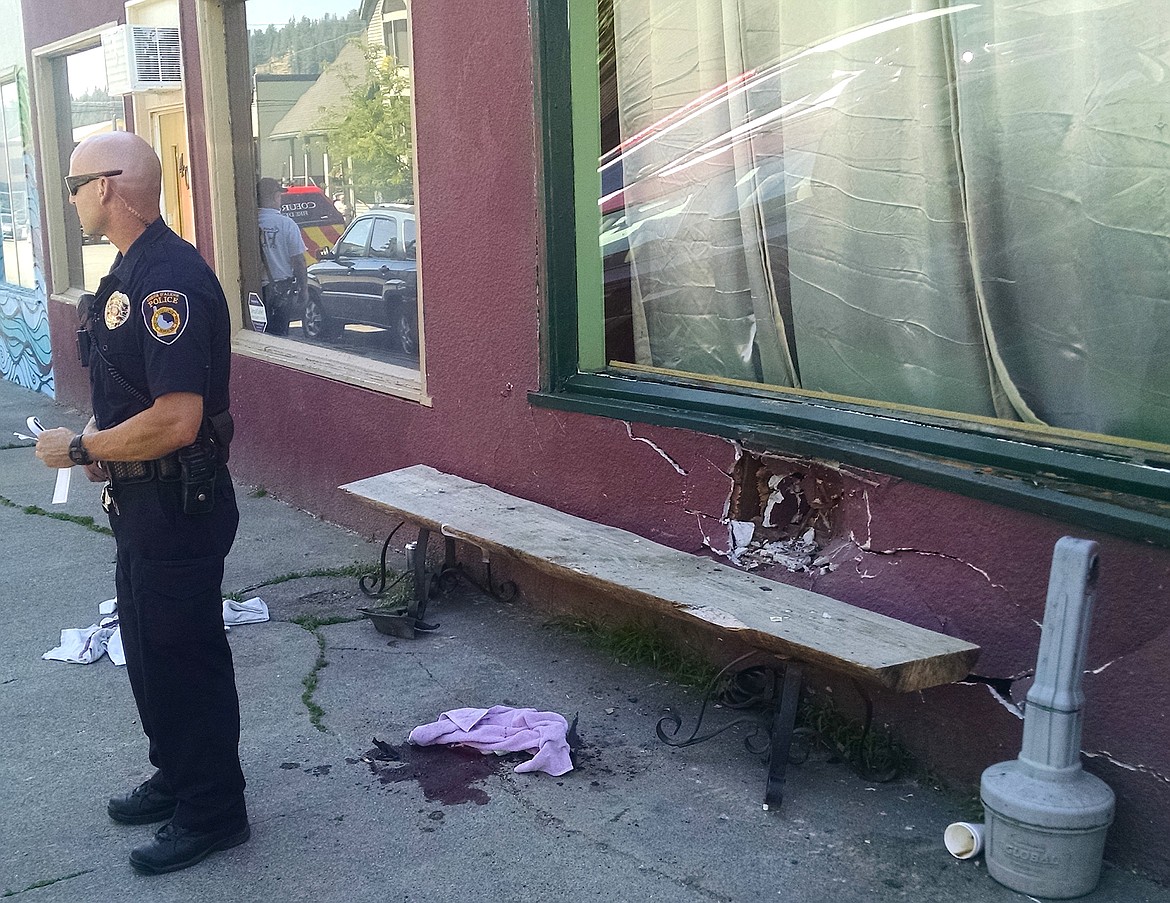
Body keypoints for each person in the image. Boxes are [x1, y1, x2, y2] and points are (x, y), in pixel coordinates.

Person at [35, 131, 249, 875]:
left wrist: (83, 449)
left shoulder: (169, 285)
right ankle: (178, 775)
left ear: (109, 187)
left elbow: (177, 418)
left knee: (184, 658)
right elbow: (130, 397)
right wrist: (103, 444)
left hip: (178, 505)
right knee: (151, 655)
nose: (71, 198)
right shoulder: (127, 272)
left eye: (74, 184)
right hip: (141, 504)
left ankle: (214, 811)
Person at [257, 177, 307, 336]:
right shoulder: (286, 224)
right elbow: (298, 261)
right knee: (279, 337)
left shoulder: (249, 223)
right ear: (274, 196)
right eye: (279, 195)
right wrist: (303, 289)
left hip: (254, 292)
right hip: (281, 291)